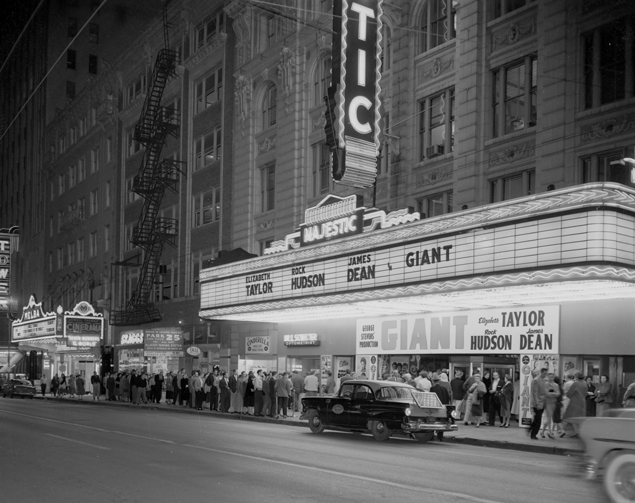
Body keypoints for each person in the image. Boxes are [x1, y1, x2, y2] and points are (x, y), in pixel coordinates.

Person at [562, 371, 587, 438]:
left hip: (574, 402)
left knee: (568, 416)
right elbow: (585, 393)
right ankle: (577, 432)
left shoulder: (576, 383)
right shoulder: (585, 383)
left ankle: (562, 431)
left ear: (576, 377)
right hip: (582, 402)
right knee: (577, 417)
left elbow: (569, 393)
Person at [430, 373, 450, 441]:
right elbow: (448, 398)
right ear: (438, 381)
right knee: (442, 422)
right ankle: (440, 437)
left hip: (435, 408)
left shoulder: (432, 388)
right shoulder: (444, 389)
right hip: (443, 407)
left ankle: (431, 436)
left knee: (432, 422)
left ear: (433, 381)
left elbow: (431, 399)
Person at [540, 372, 560, 438]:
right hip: (547, 403)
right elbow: (546, 393)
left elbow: (558, 394)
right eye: (550, 377)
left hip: (553, 403)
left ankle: (542, 432)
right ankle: (550, 432)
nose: (551, 378)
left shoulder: (556, 385)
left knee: (549, 417)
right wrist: (553, 394)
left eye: (552, 377)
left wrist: (551, 394)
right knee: (549, 417)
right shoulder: (545, 384)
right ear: (548, 377)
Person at [529, 368, 548, 440]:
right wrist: (537, 403)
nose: (545, 375)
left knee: (536, 419)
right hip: (538, 403)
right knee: (538, 420)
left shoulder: (543, 380)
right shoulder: (536, 380)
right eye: (544, 373)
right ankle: (533, 434)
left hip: (542, 403)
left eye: (546, 373)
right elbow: (535, 393)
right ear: (541, 372)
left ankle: (530, 430)